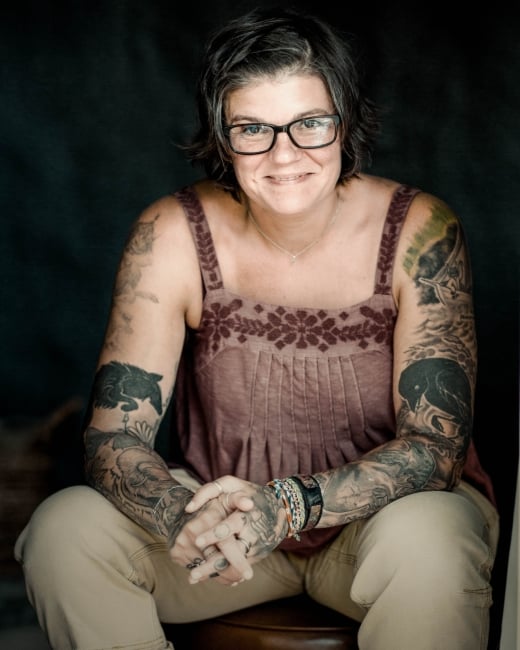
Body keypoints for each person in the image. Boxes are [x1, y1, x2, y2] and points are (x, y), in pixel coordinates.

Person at [15, 7, 499, 650]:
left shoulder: (420, 230)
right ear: (222, 136)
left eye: (309, 124)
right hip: (227, 531)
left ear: (344, 123)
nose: (284, 154)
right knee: (63, 529)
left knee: (432, 541)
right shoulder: (172, 232)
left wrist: (288, 505)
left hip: (379, 527)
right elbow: (112, 437)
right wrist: (178, 515)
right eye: (253, 129)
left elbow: (435, 449)